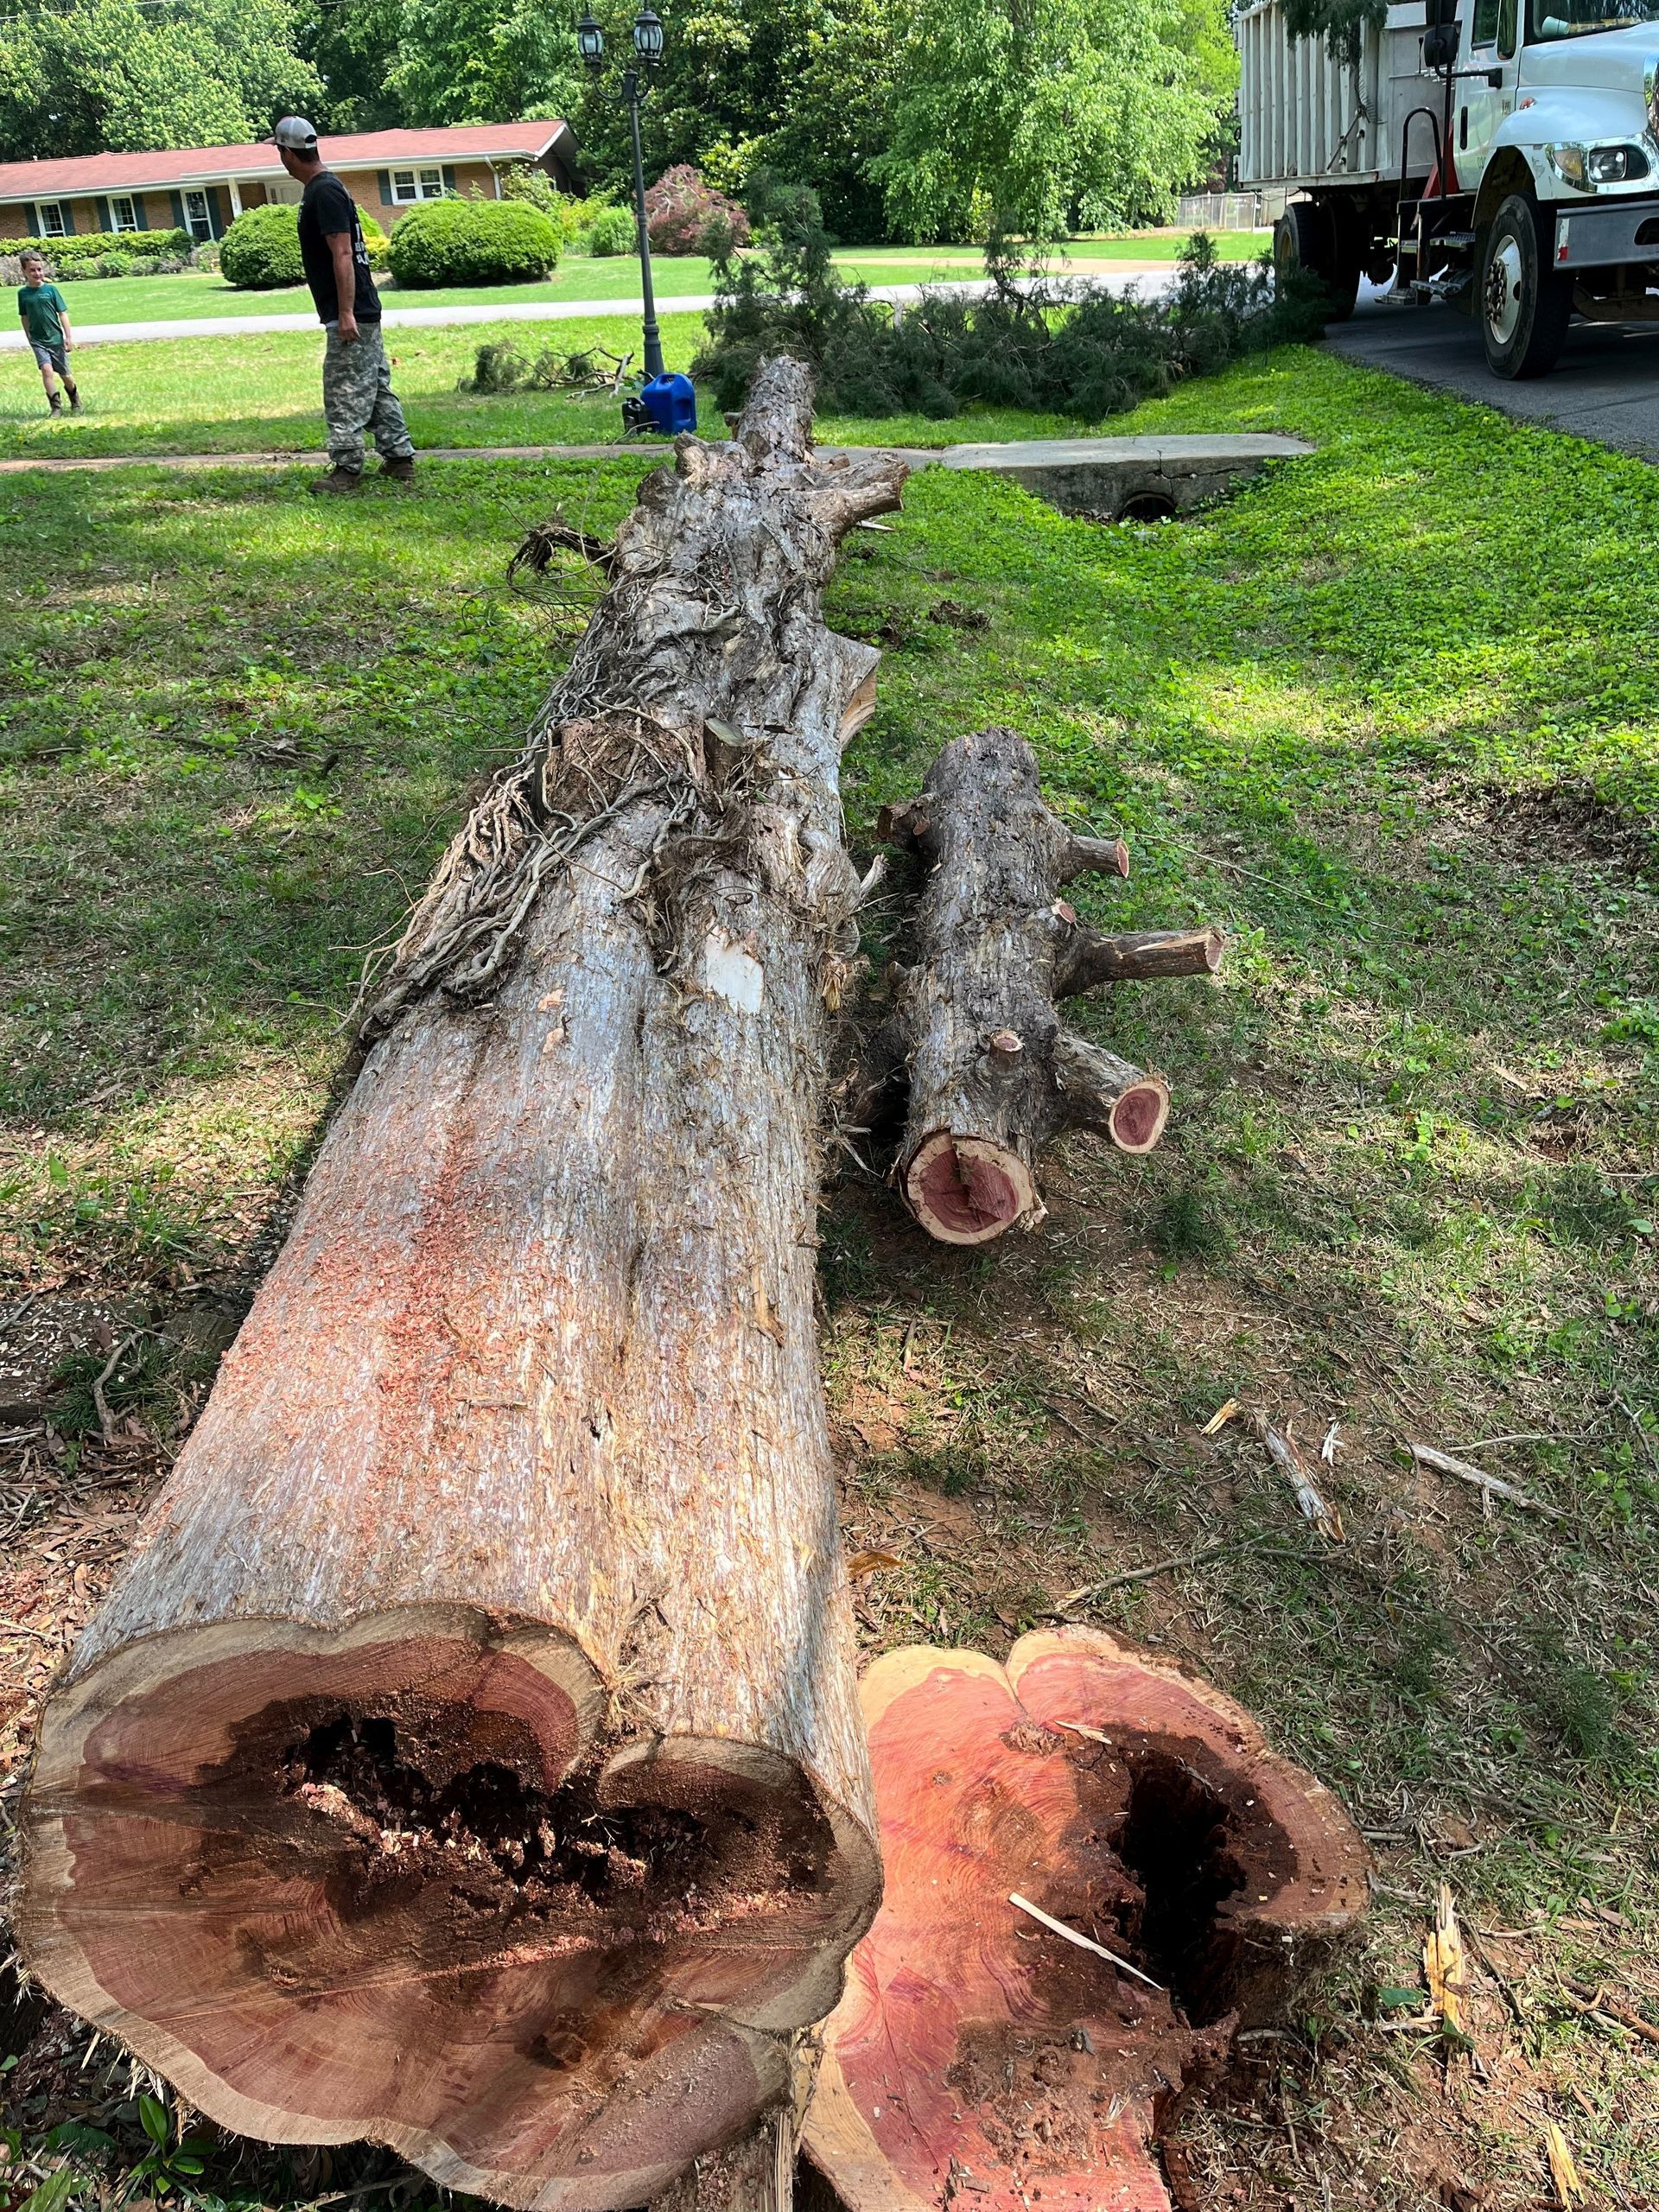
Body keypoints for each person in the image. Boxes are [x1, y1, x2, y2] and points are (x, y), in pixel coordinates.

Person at [271, 116, 416, 493]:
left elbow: (342, 254)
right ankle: (400, 459)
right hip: (360, 308)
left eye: (279, 152)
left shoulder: (324, 192)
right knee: (375, 385)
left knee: (344, 389)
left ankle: (346, 470)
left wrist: (346, 313)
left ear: (288, 153)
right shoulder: (324, 189)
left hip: (351, 312)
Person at [16, 252, 81, 416]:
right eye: (32, 270)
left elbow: (63, 314)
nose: (37, 273)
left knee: (65, 374)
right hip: (38, 340)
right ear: (24, 271)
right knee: (46, 370)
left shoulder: (51, 290)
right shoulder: (22, 294)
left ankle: (75, 400)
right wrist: (29, 337)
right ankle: (56, 408)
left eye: (39, 269)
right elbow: (24, 317)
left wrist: (68, 337)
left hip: (56, 339)